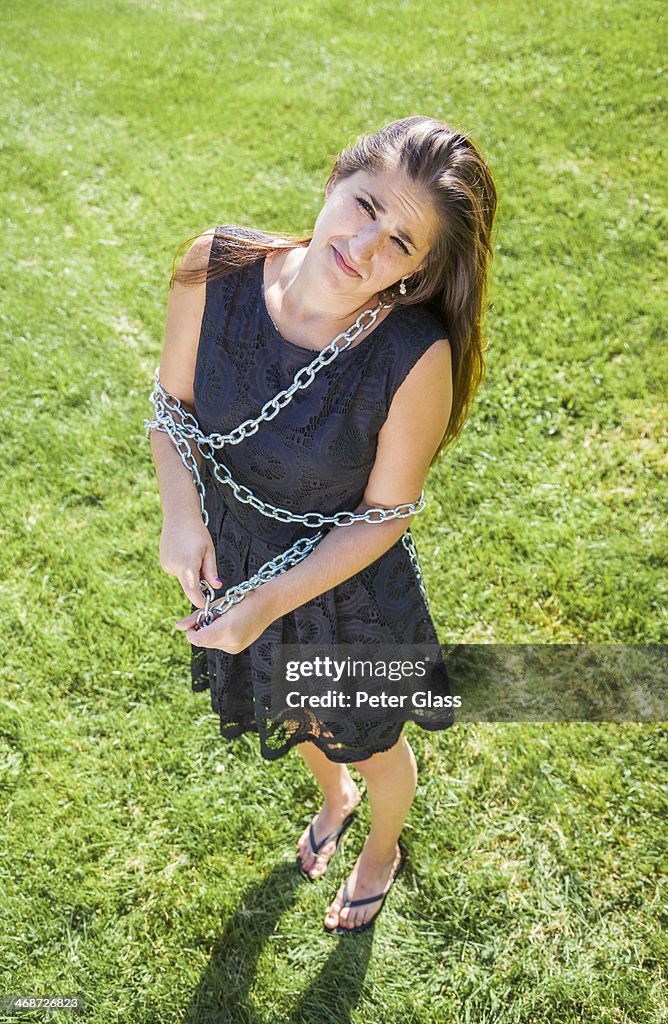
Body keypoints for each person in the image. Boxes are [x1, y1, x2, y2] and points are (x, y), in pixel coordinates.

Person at [146, 115, 497, 935]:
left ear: (417, 272)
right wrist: (180, 510)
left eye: (401, 243)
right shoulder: (215, 266)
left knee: (368, 740)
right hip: (238, 562)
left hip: (341, 591)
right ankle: (330, 794)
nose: (365, 247)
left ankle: (381, 846)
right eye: (365, 205)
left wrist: (271, 605)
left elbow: (385, 516)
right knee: (289, 708)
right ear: (335, 179)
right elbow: (171, 408)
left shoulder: (414, 358)